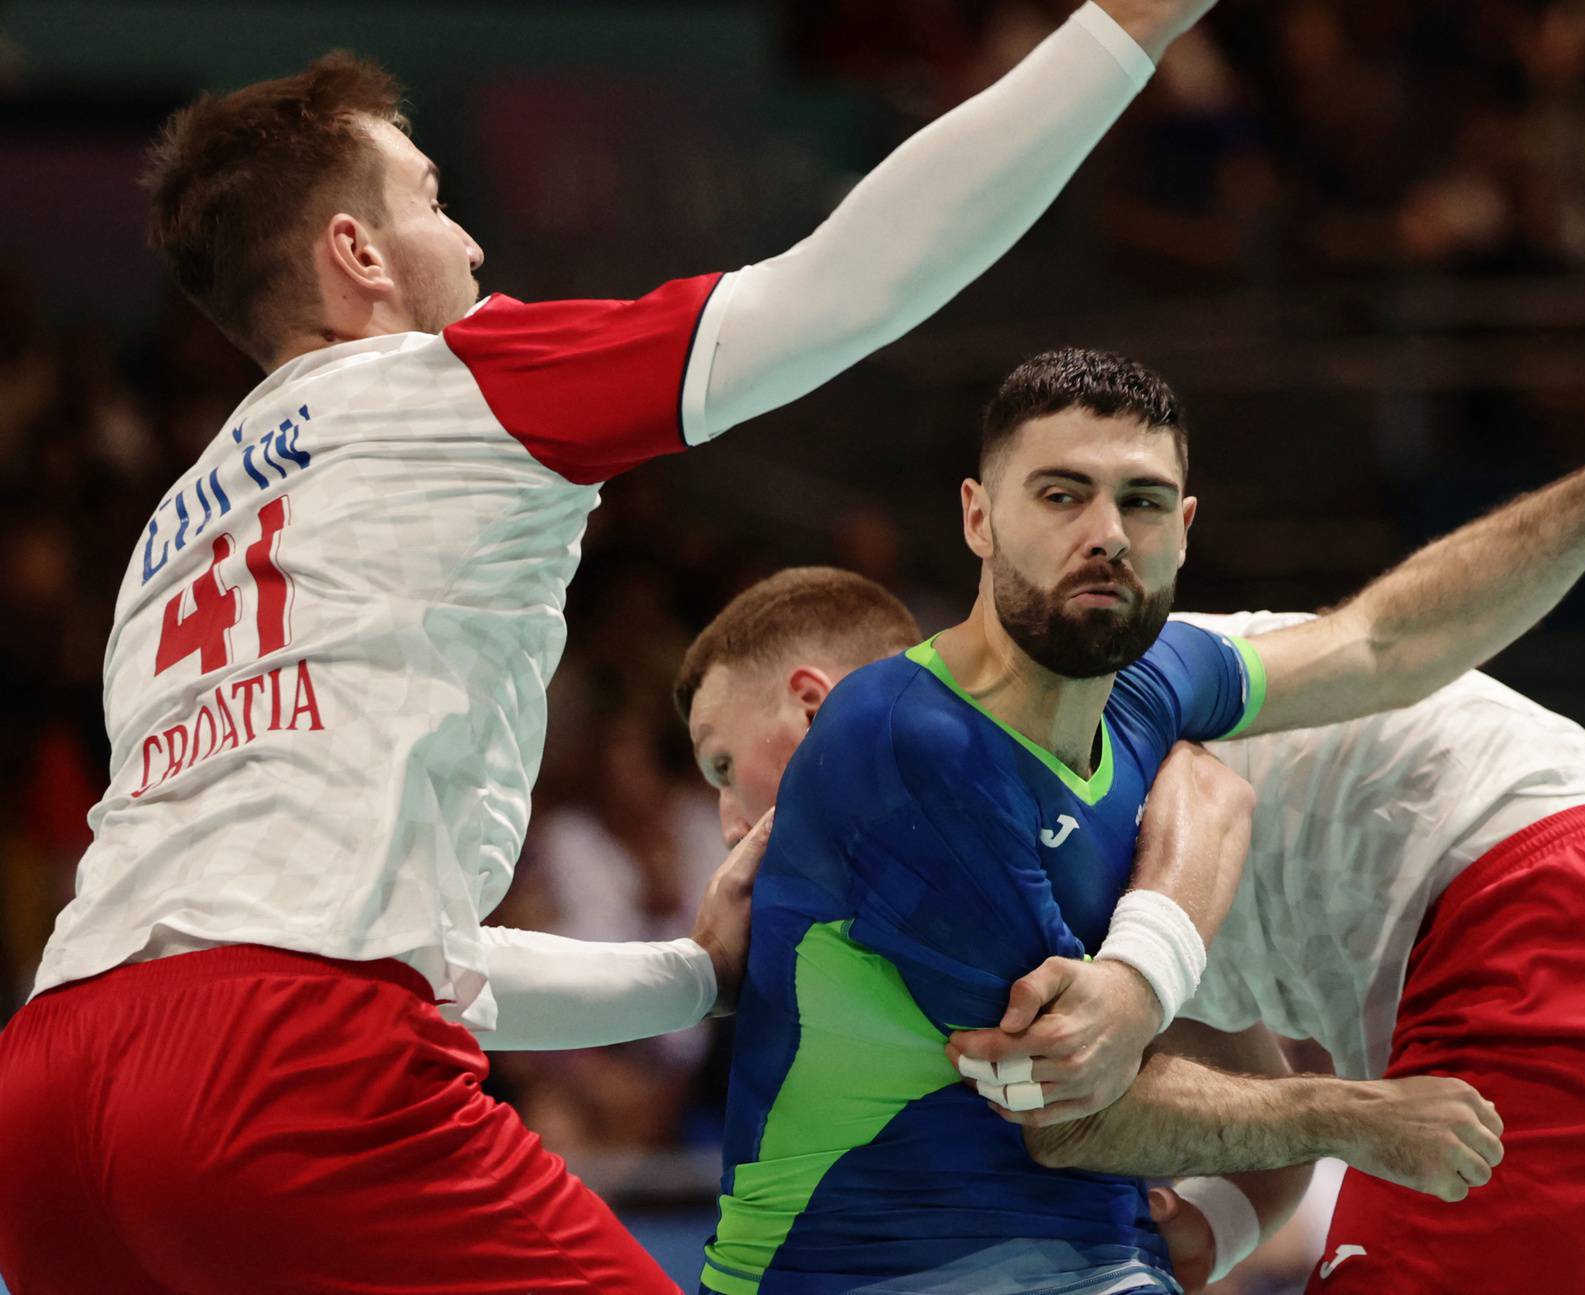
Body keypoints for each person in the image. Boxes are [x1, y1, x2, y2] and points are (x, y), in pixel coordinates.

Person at [0, 3, 1226, 1290]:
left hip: (50, 1093)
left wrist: (694, 975)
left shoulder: (170, 544)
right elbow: (853, 281)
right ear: (358, 251)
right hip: (283, 1066)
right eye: (433, 198)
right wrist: (1120, 31)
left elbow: (394, 953)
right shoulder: (458, 378)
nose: (470, 239)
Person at [682, 261, 1585, 1293]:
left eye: (1140, 502)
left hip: (1544, 909)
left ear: (1184, 533)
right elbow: (1126, 1087)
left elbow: (1378, 648)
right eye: (1061, 494)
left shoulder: (1140, 689)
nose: (1104, 533)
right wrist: (1251, 1184)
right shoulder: (930, 749)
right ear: (976, 515)